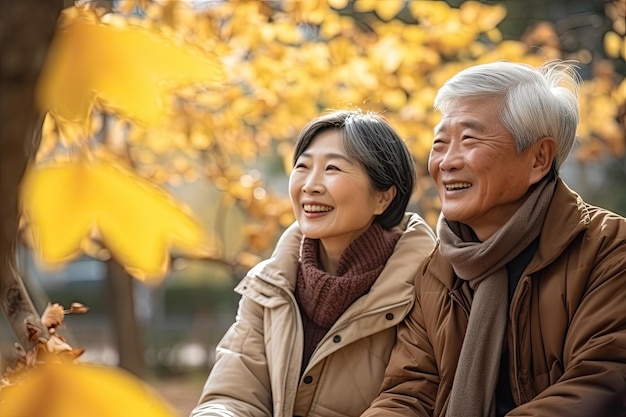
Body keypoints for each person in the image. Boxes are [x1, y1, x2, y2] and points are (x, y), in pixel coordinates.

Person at [361, 59, 626, 417]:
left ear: (538, 159)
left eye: (469, 139)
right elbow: (409, 392)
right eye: (440, 143)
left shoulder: (608, 249)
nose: (447, 162)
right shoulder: (437, 270)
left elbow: (602, 382)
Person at [190, 109, 436, 417]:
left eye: (332, 168)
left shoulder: (427, 286)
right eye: (303, 167)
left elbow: (408, 401)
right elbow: (233, 395)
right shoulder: (270, 285)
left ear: (383, 197)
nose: (310, 185)